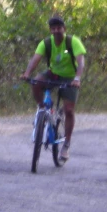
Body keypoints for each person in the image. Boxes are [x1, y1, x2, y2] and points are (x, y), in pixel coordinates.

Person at [21, 15, 86, 162]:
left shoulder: (73, 42)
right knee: (36, 82)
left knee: (69, 110)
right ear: (50, 30)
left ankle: (66, 144)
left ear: (64, 29)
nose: (56, 31)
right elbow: (35, 59)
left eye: (59, 28)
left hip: (70, 78)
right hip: (53, 74)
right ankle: (42, 107)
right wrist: (27, 73)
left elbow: (80, 62)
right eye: (53, 28)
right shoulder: (46, 43)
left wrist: (77, 78)